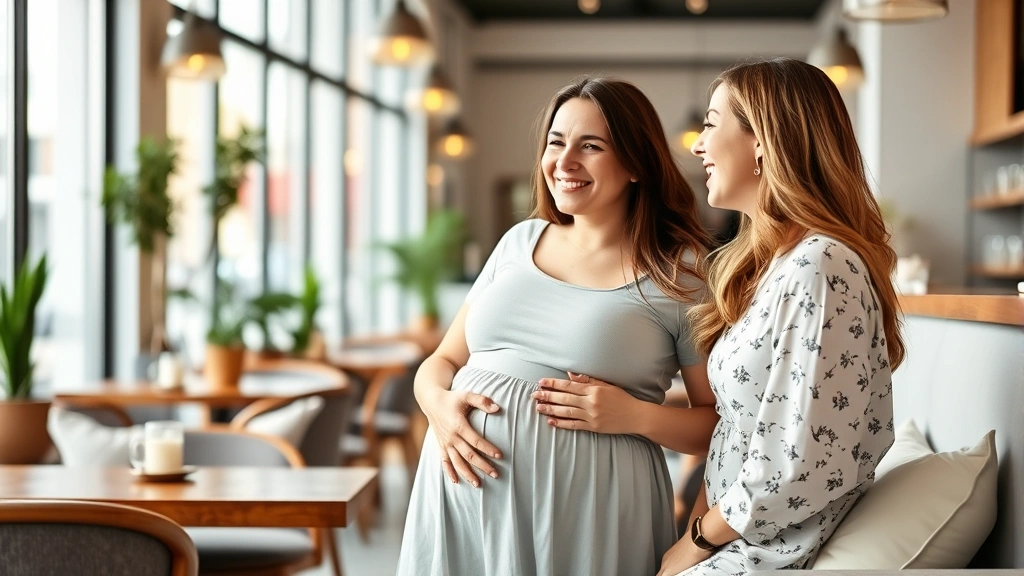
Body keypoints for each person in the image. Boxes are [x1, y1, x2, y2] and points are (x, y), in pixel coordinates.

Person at [395, 77, 720, 576]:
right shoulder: (517, 241)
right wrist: (438, 406)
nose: (564, 162)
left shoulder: (680, 271)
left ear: (636, 163)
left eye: (590, 146)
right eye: (556, 142)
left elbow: (720, 426)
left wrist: (635, 416)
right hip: (462, 496)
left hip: (590, 510)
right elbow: (440, 362)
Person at [651, 57, 905, 574]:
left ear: (762, 141)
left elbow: (803, 465)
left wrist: (695, 541)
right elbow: (735, 436)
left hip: (773, 555)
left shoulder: (822, 266)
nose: (697, 145)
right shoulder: (779, 268)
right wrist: (690, 532)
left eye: (711, 123)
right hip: (737, 542)